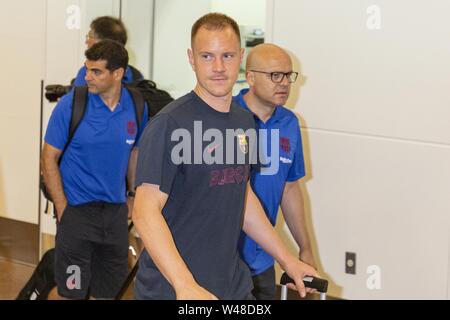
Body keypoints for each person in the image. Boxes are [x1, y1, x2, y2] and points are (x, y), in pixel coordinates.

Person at [132, 12, 318, 300]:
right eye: (207, 56)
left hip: (231, 285)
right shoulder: (170, 124)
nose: (218, 67)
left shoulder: (244, 121)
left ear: (241, 57)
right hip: (173, 290)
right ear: (191, 59)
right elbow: (145, 211)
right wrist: (185, 285)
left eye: (227, 56)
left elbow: (241, 196)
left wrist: (288, 259)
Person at [41, 39, 148, 299]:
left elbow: (135, 152)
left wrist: (133, 196)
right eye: (87, 69)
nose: (87, 76)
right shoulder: (71, 104)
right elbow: (48, 158)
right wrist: (62, 206)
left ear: (118, 73)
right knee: (73, 291)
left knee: (109, 292)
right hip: (76, 214)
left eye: (96, 71)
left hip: (114, 217)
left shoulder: (136, 106)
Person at [234, 43, 317, 300]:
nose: (283, 83)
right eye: (274, 75)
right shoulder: (225, 116)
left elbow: (290, 188)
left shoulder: (289, 123)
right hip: (223, 260)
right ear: (250, 77)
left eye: (288, 75)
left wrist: (305, 248)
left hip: (263, 258)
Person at [73, 16, 143, 86]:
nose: (86, 41)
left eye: (90, 36)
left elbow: (75, 96)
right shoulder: (137, 76)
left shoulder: (86, 74)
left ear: (103, 44)